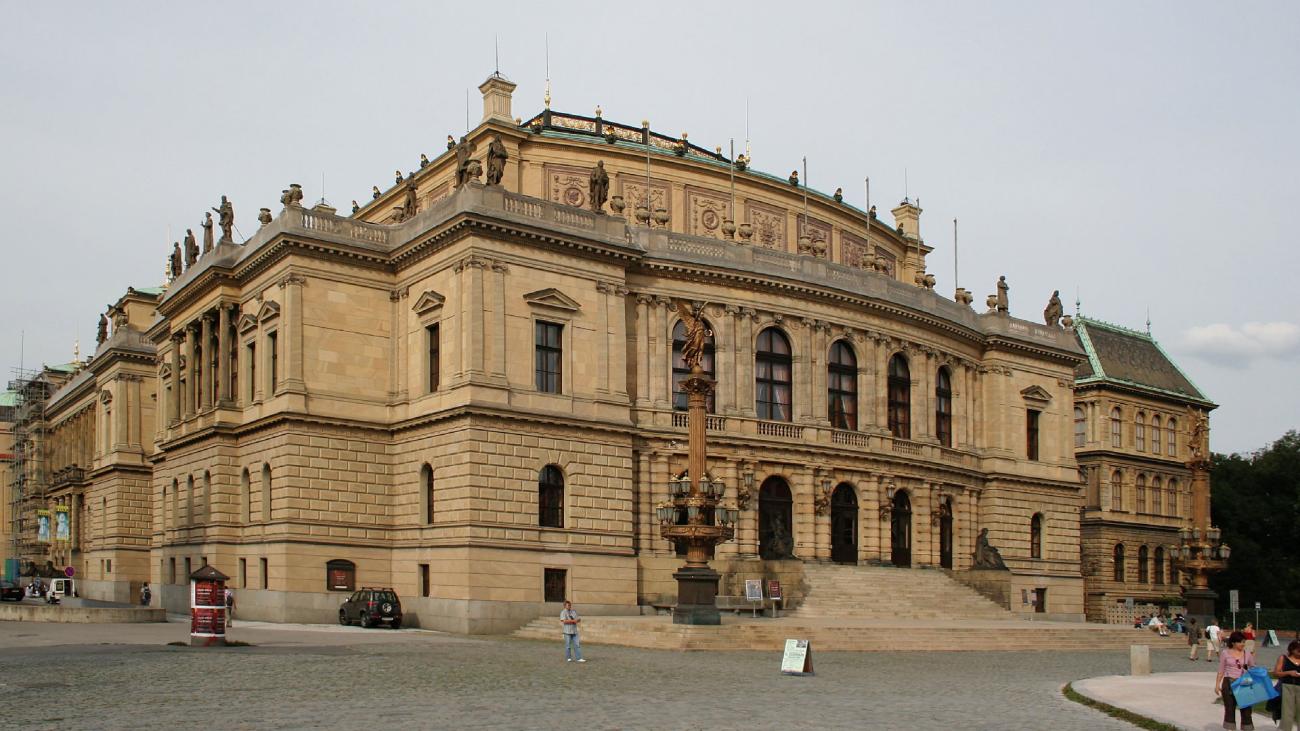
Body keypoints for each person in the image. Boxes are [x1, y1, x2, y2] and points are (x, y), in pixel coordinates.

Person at [1216, 630, 1255, 730]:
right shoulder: (1225, 653)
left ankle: (1247, 728)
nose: (1242, 644)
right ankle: (1230, 728)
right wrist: (1217, 685)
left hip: (1244, 682)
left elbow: (1253, 667)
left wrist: (1251, 672)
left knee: (1246, 709)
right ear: (1233, 642)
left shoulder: (1247, 653)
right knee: (1229, 708)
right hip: (1229, 682)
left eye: (1243, 642)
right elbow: (1221, 670)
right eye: (1240, 642)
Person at [1274, 640, 1300, 731]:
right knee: (1287, 712)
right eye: (1298, 650)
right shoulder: (1283, 658)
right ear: (1292, 649)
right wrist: (1289, 673)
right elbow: (1276, 673)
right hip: (1287, 686)